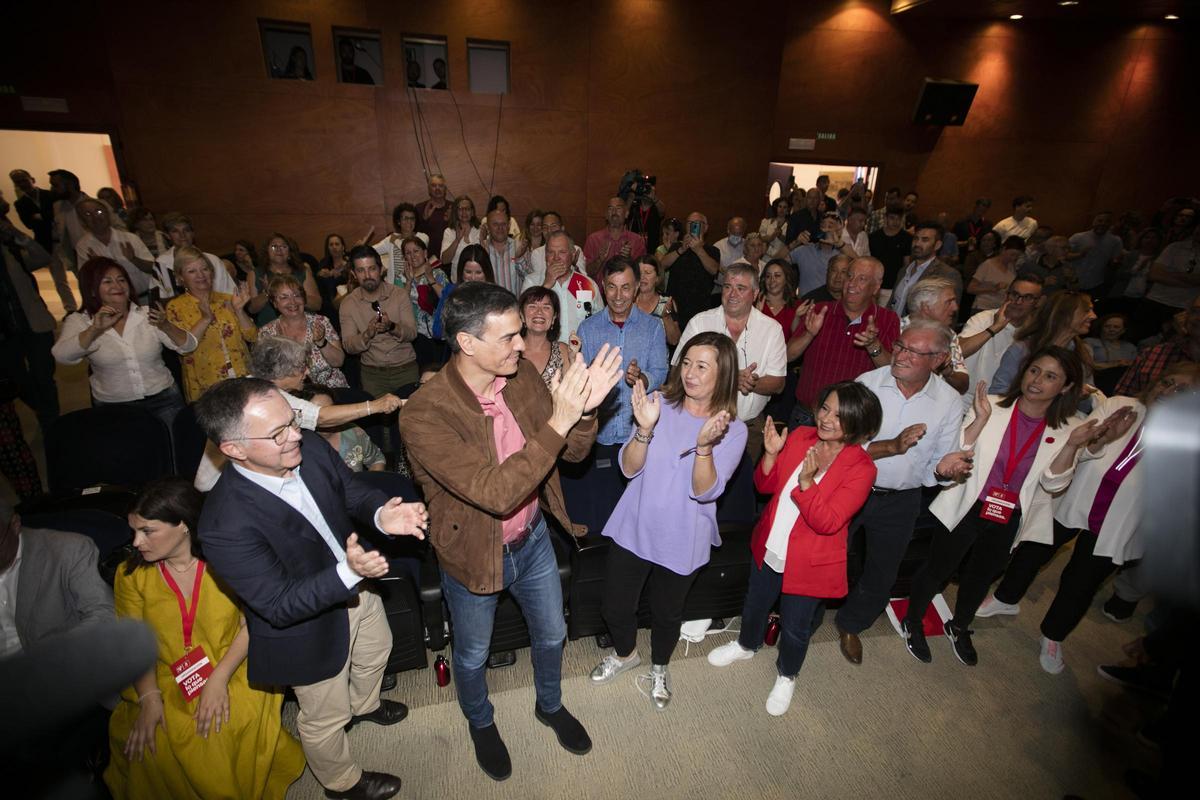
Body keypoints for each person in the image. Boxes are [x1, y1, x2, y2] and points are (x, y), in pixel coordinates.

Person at [399, 282, 622, 781]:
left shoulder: (519, 377)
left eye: (521, 333)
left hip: (534, 537)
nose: (523, 347)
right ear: (467, 343)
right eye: (509, 337)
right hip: (474, 551)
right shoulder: (424, 413)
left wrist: (582, 413)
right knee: (473, 653)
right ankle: (481, 721)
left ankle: (549, 704)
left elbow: (571, 453)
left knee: (553, 632)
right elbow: (496, 492)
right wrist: (561, 420)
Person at [196, 378, 428, 800]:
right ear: (234, 449)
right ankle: (342, 783)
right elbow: (280, 605)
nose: (294, 436)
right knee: (324, 716)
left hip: (356, 584)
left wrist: (380, 515)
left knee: (376, 650)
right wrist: (348, 571)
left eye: (293, 422)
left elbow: (351, 491)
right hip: (306, 627)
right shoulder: (222, 525)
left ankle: (366, 706)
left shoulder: (310, 447)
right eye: (277, 432)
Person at [977, 366, 1200, 674]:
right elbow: (1078, 446)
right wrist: (1104, 435)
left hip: (1121, 519)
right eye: (1167, 382)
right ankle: (1006, 597)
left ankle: (1054, 634)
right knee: (1033, 550)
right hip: (1075, 497)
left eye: (1181, 390)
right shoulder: (1120, 405)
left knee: (1082, 581)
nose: (1168, 391)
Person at [104, 478, 305, 800]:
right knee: (155, 741)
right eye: (134, 531)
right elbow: (132, 645)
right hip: (161, 675)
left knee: (213, 732)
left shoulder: (227, 559)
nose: (137, 542)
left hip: (235, 663)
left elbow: (252, 624)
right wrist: (150, 698)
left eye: (147, 531)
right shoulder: (131, 576)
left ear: (183, 525)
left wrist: (217, 679)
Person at [902, 347, 1089, 666]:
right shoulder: (993, 407)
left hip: (1011, 515)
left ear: (1067, 387)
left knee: (982, 576)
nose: (1037, 380)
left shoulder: (1071, 429)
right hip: (969, 504)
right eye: (1034, 370)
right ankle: (913, 620)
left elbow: (1054, 485)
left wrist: (1072, 445)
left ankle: (959, 625)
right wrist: (980, 419)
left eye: (1050, 376)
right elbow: (955, 452)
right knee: (939, 568)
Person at [590, 333, 747, 708]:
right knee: (614, 605)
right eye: (687, 362)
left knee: (666, 613)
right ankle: (627, 655)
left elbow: (704, 492)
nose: (690, 373)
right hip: (636, 524)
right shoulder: (658, 402)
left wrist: (705, 446)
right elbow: (628, 469)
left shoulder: (732, 429)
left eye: (702, 366)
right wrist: (644, 428)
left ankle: (660, 665)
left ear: (722, 373)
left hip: (683, 534)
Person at [707, 382, 881, 713]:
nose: (827, 418)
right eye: (825, 408)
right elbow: (765, 486)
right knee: (755, 604)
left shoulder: (862, 468)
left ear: (858, 423)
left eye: (840, 415)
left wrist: (806, 483)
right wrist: (771, 453)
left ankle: (788, 674)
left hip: (809, 561)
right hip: (771, 541)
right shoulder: (801, 436)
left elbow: (828, 522)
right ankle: (747, 643)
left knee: (796, 626)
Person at [832, 321, 974, 664]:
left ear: (938, 359)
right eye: (900, 345)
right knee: (826, 555)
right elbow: (841, 445)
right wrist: (891, 447)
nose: (900, 354)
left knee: (883, 570)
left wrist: (944, 471)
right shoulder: (868, 384)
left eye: (914, 351)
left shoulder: (949, 402)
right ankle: (802, 620)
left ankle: (852, 623)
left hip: (902, 498)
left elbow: (938, 463)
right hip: (850, 488)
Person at [53, 257, 195, 427]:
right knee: (128, 453)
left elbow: (188, 346)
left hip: (164, 400)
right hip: (113, 406)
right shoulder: (80, 321)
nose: (118, 286)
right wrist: (94, 330)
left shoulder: (146, 314)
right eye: (107, 281)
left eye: (121, 280)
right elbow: (62, 356)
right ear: (91, 289)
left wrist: (165, 325)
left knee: (176, 450)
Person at [675, 263, 787, 459]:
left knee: (741, 487)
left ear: (756, 293)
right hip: (698, 424)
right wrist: (731, 379)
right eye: (727, 287)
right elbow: (676, 372)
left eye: (741, 288)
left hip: (749, 428)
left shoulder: (772, 329)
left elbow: (778, 383)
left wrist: (751, 382)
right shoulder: (700, 323)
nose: (732, 294)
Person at [786, 257, 900, 428]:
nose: (851, 283)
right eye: (849, 276)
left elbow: (892, 371)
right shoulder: (819, 310)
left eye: (861, 279)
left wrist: (873, 346)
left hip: (851, 422)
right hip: (807, 415)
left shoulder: (887, 319)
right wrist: (809, 334)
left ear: (876, 287)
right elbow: (788, 355)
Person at [578, 257, 669, 448]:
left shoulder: (653, 327)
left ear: (636, 287)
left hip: (640, 433)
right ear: (603, 286)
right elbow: (580, 380)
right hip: (599, 434)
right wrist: (590, 372)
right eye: (612, 287)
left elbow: (660, 371)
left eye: (626, 287)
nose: (618, 295)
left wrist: (641, 379)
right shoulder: (587, 329)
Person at [165, 246, 257, 402]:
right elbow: (185, 349)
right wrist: (205, 318)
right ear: (180, 278)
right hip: (207, 387)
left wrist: (240, 311)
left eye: (205, 269)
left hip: (242, 378)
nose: (201, 275)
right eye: (192, 271)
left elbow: (252, 336)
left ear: (212, 272)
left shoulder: (228, 299)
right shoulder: (175, 307)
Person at [0, 197, 59, 433]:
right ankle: (43, 410)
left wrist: (18, 235)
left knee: (44, 376)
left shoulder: (12, 247)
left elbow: (43, 258)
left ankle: (53, 424)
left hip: (33, 323)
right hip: (5, 334)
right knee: (18, 381)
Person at [339, 245, 420, 396]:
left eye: (372, 269)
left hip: (405, 368)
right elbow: (349, 346)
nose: (367, 275)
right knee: (377, 418)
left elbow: (412, 333)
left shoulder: (399, 295)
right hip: (372, 374)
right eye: (361, 270)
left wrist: (392, 327)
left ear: (381, 269)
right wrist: (367, 334)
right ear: (353, 274)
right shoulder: (348, 304)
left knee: (412, 417)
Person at [958, 273, 1045, 411]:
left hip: (1003, 405)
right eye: (1014, 294)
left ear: (1038, 302)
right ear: (1007, 295)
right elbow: (957, 351)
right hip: (965, 399)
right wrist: (994, 328)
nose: (1018, 301)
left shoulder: (1037, 332)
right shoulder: (984, 318)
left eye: (1027, 297)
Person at [989, 290, 1097, 396]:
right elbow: (998, 391)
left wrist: (1082, 395)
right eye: (1087, 310)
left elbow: (1088, 401)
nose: (1093, 316)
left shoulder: (1083, 353)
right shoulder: (1022, 350)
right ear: (1064, 314)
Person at [259, 274, 348, 388]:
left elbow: (338, 362)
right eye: (284, 297)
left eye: (297, 295)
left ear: (304, 299)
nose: (293, 302)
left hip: (332, 390)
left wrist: (322, 342)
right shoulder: (266, 334)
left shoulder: (321, 322)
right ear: (274, 303)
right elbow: (266, 375)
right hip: (291, 397)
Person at [523, 230, 601, 346]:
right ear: (545, 256)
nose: (556, 258)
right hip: (544, 355)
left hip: (580, 355)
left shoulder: (586, 284)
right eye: (551, 252)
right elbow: (524, 319)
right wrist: (546, 285)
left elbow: (600, 322)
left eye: (562, 252)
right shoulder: (532, 281)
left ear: (573, 254)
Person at [1114, 294, 1200, 396]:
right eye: (1196, 311)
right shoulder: (1153, 354)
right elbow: (1121, 399)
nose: (1198, 318)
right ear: (1185, 316)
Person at [895, 276, 968, 393]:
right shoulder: (893, 330)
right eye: (949, 302)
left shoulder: (949, 335)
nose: (955, 307)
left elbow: (963, 386)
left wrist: (948, 372)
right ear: (926, 307)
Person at [74, 198, 156, 299]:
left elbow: (154, 268)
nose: (95, 217)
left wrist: (134, 260)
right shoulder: (84, 246)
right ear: (82, 221)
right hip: (114, 304)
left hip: (145, 297)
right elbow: (86, 282)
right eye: (87, 215)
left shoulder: (129, 238)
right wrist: (97, 266)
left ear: (107, 214)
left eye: (98, 211)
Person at [298, 389, 387, 472]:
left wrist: (370, 484)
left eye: (331, 410)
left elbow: (376, 459)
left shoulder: (353, 432)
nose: (329, 417)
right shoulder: (298, 443)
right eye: (321, 413)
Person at [154, 212, 239, 299]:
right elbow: (159, 300)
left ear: (193, 233)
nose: (182, 235)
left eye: (186, 230)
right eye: (175, 231)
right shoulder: (161, 263)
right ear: (168, 236)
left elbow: (230, 294)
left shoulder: (213, 260)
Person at [394, 236, 449, 368]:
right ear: (404, 258)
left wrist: (431, 279)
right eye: (408, 253)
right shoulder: (399, 278)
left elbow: (448, 300)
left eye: (416, 251)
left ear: (425, 253)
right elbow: (397, 308)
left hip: (438, 333)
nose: (412, 256)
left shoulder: (438, 274)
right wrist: (408, 282)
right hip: (414, 335)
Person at [888, 220, 963, 317]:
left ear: (937, 245)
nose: (917, 244)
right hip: (893, 329)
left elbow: (950, 315)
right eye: (916, 238)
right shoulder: (903, 270)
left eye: (925, 240)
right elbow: (892, 304)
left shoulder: (947, 274)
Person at [1140, 222, 1200, 340]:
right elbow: (1154, 274)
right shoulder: (1175, 247)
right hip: (1156, 300)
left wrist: (1170, 273)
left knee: (1170, 342)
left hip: (1184, 306)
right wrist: (1190, 281)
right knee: (1140, 335)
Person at [662, 212, 721, 331]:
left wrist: (698, 249)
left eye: (697, 223)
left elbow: (713, 269)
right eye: (690, 223)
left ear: (705, 227)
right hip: (675, 306)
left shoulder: (712, 250)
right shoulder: (676, 247)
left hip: (700, 308)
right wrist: (682, 249)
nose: (693, 226)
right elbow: (662, 265)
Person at [789, 212, 856, 297]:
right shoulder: (805, 249)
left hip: (833, 305)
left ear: (839, 231)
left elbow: (863, 267)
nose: (825, 229)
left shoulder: (843, 253)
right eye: (823, 226)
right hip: (806, 305)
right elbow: (776, 261)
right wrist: (795, 243)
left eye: (830, 226)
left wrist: (840, 244)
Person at [518, 286, 572, 388]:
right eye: (532, 306)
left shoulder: (562, 351)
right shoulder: (511, 349)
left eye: (546, 307)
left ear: (554, 317)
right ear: (521, 315)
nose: (539, 312)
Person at [583, 197, 646, 282]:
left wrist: (629, 259)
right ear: (606, 215)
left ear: (627, 213)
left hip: (627, 292)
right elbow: (585, 273)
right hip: (599, 293)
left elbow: (642, 275)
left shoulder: (637, 240)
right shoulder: (593, 239)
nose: (614, 212)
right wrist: (599, 260)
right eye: (610, 208)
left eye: (618, 208)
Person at [1106, 227, 1161, 316]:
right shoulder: (1132, 255)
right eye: (1147, 237)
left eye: (1154, 238)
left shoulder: (1160, 259)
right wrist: (1136, 269)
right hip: (1122, 294)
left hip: (1141, 299)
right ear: (1141, 239)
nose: (1150, 240)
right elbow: (1119, 275)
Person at [1066, 211, 1123, 296]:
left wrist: (1116, 262)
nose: (1103, 224)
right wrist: (1080, 255)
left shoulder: (1115, 241)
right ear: (1094, 221)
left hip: (1096, 284)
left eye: (1107, 221)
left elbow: (1114, 262)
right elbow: (1063, 256)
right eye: (1100, 221)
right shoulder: (1078, 237)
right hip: (1072, 281)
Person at [374, 202, 430, 285]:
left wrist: (395, 241)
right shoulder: (391, 239)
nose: (409, 222)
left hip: (416, 283)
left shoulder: (422, 237)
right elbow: (372, 251)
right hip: (394, 285)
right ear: (399, 222)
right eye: (405, 218)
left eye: (412, 218)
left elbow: (407, 248)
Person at [968, 235, 1025, 312]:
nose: (1014, 258)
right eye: (1012, 254)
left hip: (1000, 309)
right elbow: (971, 288)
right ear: (1004, 249)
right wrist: (994, 288)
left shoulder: (1012, 267)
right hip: (983, 308)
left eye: (1017, 256)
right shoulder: (987, 265)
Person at [756, 258, 807, 340]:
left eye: (777, 275)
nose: (772, 280)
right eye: (768, 276)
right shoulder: (754, 302)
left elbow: (796, 340)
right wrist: (756, 314)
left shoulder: (797, 306)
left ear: (786, 279)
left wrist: (796, 317)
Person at [482, 208, 530, 294]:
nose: (500, 228)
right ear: (487, 226)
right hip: (490, 306)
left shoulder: (520, 246)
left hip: (515, 305)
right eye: (495, 224)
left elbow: (529, 279)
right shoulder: (481, 248)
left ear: (509, 225)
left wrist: (518, 258)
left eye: (503, 224)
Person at [9, 168, 57, 253]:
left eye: (24, 180)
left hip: (63, 236)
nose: (22, 184)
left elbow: (57, 214)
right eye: (18, 182)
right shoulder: (20, 204)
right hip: (44, 241)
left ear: (32, 180)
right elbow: (29, 224)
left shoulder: (51, 194)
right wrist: (48, 215)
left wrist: (40, 216)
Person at [867, 206, 913, 290]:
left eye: (898, 218)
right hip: (874, 283)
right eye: (892, 218)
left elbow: (906, 263)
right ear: (885, 218)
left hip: (895, 285)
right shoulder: (874, 237)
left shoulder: (907, 238)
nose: (895, 222)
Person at [440, 196, 482, 277]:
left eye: (467, 209)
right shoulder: (449, 232)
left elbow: (487, 259)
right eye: (460, 209)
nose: (464, 212)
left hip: (478, 279)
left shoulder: (480, 230)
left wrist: (483, 241)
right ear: (456, 212)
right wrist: (457, 240)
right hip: (458, 281)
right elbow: (444, 260)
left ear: (472, 212)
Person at [415, 173, 451, 249]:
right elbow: (415, 235)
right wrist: (425, 220)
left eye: (441, 186)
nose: (437, 188)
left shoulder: (453, 207)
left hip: (450, 255)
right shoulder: (420, 208)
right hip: (427, 256)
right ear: (429, 189)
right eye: (434, 185)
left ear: (445, 189)